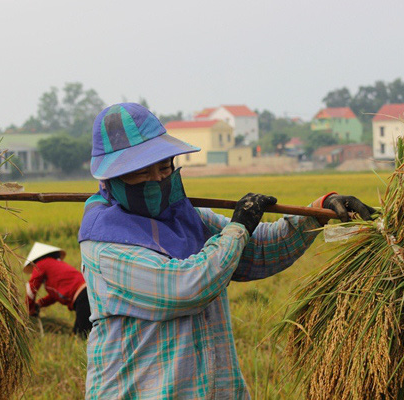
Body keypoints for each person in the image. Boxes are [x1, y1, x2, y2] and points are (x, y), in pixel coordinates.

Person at [77, 103, 374, 399]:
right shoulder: (104, 244)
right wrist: (238, 227)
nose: (157, 180)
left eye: (164, 167)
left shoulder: (187, 216)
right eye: (140, 173)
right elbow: (185, 288)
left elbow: (255, 251)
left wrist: (317, 212)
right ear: (110, 179)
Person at [24, 242, 92, 336]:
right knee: (77, 334)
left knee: (83, 335)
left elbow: (31, 288)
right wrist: (39, 304)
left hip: (84, 297)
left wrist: (30, 308)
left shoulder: (41, 264)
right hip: (87, 295)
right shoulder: (54, 267)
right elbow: (54, 296)